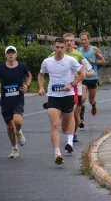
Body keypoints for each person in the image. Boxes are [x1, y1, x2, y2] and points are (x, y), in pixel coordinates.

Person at [38, 37, 85, 165]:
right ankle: (57, 153)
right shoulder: (47, 61)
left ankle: (68, 138)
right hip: (53, 96)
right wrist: (41, 87)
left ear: (65, 48)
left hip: (68, 96)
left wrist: (72, 84)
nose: (59, 50)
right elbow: (41, 74)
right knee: (54, 125)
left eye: (62, 47)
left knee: (66, 124)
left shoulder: (71, 60)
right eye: (57, 47)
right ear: (54, 47)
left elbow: (82, 74)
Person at [0, 46, 32, 159]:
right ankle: (14, 148)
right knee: (9, 126)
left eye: (12, 53)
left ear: (16, 54)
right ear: (5, 55)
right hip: (5, 100)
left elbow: (29, 76)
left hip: (18, 98)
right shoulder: (0, 68)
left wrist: (27, 86)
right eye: (8, 53)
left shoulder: (22, 66)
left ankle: (18, 131)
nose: (11, 55)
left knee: (17, 121)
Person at [78, 32, 105, 128]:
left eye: (85, 39)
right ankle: (81, 120)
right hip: (83, 77)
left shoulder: (94, 49)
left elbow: (103, 60)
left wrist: (95, 61)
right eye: (82, 39)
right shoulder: (79, 50)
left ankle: (93, 106)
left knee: (91, 100)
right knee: (82, 99)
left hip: (93, 77)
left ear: (88, 40)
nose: (83, 41)